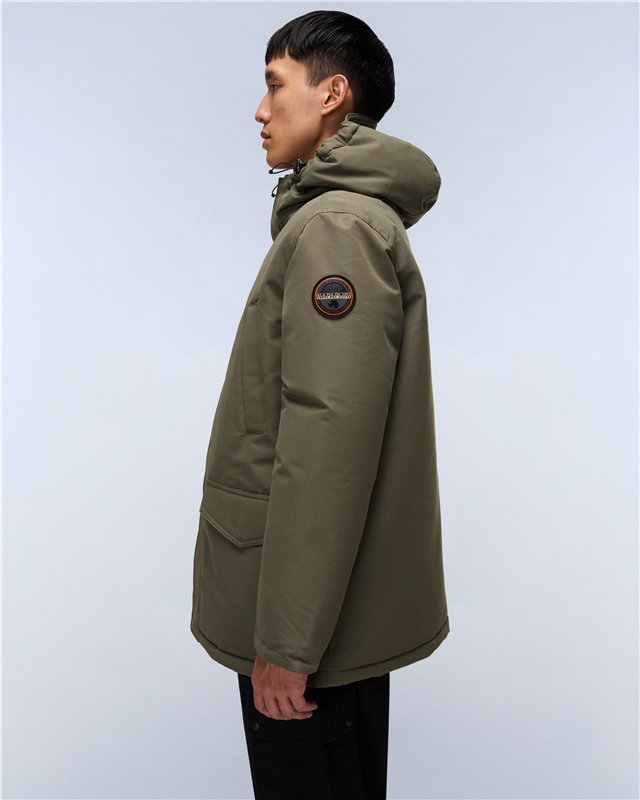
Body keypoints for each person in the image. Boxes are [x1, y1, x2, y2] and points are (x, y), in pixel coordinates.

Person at [190, 9, 450, 799]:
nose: (260, 110)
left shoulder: (336, 228)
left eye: (275, 86)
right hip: (325, 614)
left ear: (332, 94)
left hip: (307, 633)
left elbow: (327, 442)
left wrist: (288, 645)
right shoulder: (338, 219)